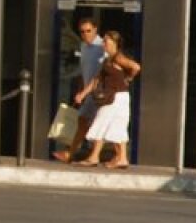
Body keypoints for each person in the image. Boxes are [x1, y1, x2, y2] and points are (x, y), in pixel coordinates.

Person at [73, 31, 141, 169]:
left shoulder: (117, 57)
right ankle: (122, 158)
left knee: (100, 123)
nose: (103, 44)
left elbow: (135, 67)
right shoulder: (107, 59)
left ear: (114, 43)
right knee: (118, 127)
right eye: (103, 41)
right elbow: (96, 80)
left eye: (106, 41)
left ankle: (93, 157)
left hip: (116, 97)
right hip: (116, 97)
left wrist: (129, 78)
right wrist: (83, 94)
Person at [53, 17, 105, 163]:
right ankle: (73, 153)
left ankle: (93, 155)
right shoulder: (83, 47)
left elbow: (99, 75)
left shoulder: (102, 47)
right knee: (83, 121)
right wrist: (81, 89)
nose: (85, 34)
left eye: (88, 31)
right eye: (82, 32)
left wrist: (84, 92)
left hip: (99, 93)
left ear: (95, 29)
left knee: (97, 124)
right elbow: (85, 71)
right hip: (88, 92)